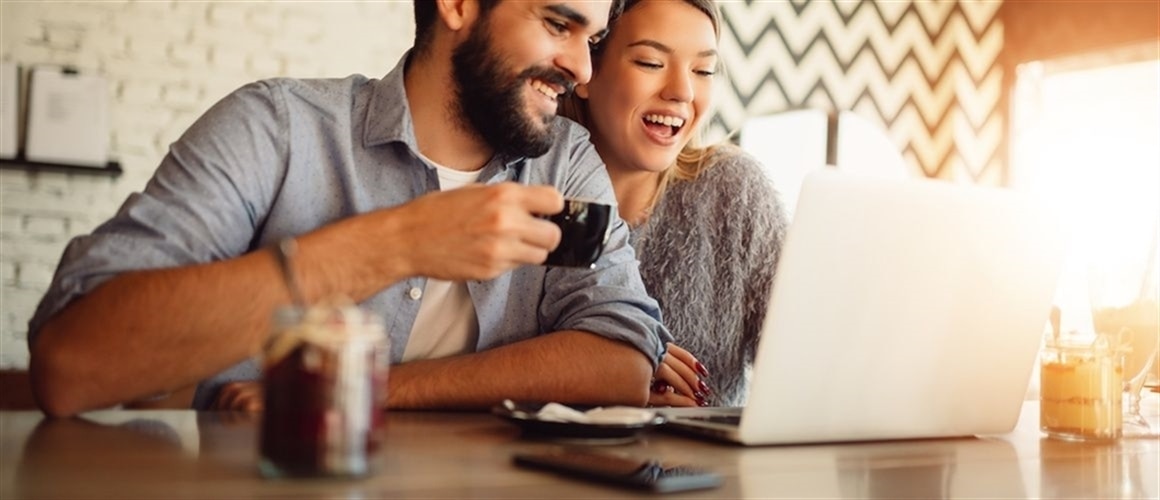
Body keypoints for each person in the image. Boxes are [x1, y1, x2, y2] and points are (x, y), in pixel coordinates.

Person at [27, 0, 672, 417]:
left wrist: (372, 391)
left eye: (595, 37)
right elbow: (72, 365)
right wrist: (394, 244)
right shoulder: (277, 126)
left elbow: (620, 363)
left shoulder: (567, 161)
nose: (583, 71)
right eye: (558, 24)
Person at [559, 0, 788, 407]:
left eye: (703, 71)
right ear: (586, 68)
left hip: (710, 471)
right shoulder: (535, 186)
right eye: (650, 62)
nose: (682, 92)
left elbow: (801, 364)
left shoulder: (734, 195)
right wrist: (610, 382)